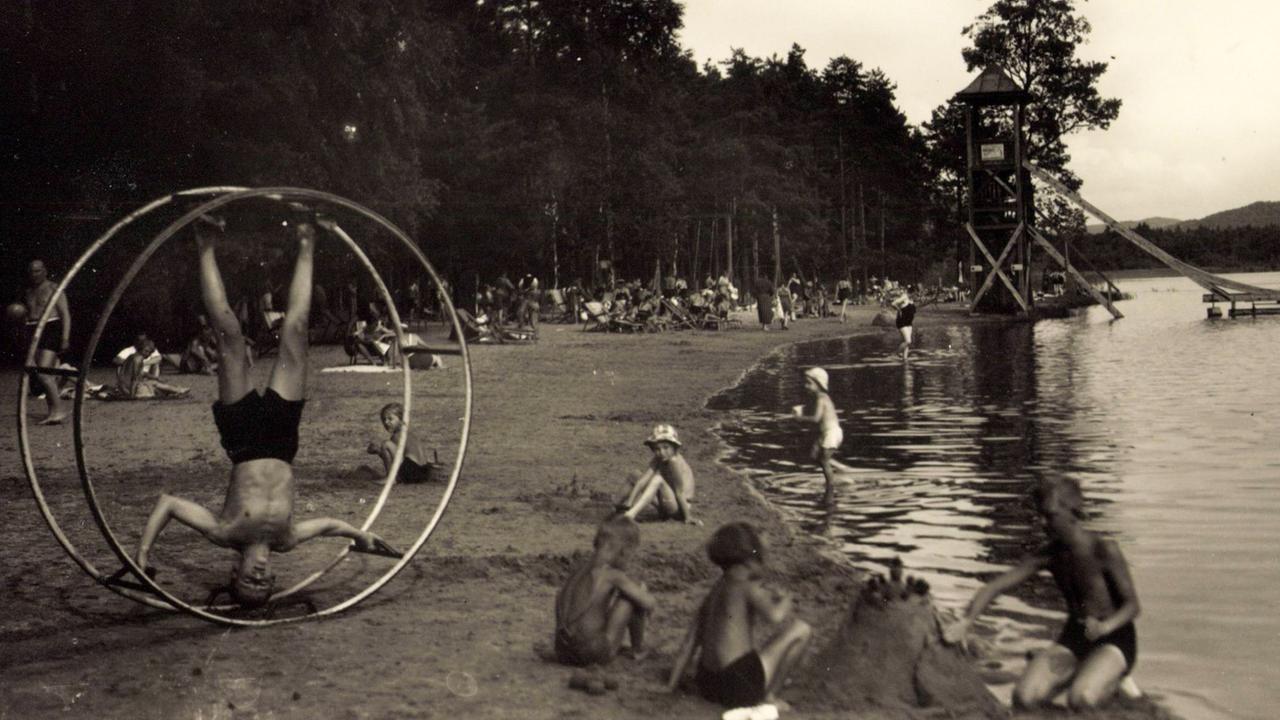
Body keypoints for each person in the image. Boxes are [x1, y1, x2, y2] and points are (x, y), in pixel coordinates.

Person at [135, 212, 395, 608]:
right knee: (296, 331)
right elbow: (330, 526)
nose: (259, 577)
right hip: (281, 440)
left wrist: (143, 553)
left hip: (243, 440)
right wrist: (360, 535)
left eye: (249, 582)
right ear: (274, 577)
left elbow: (168, 503)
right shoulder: (286, 540)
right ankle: (306, 239)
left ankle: (205, 244)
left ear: (234, 573)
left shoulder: (225, 532)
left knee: (229, 336)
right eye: (265, 584)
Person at [944, 478, 1141, 710]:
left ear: (1072, 511)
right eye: (1039, 515)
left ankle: (1114, 682)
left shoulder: (1103, 549)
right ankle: (1082, 671)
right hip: (1075, 637)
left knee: (1081, 699)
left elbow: (1133, 606)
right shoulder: (1048, 555)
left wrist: (1104, 627)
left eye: (1049, 515)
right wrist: (967, 621)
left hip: (1115, 638)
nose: (1042, 522)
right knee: (1024, 698)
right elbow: (995, 587)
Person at [667, 522, 812, 710]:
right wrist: (785, 600)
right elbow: (776, 616)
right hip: (738, 686)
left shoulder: (714, 592)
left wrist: (670, 686)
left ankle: (761, 690)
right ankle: (769, 697)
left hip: (708, 683)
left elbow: (689, 644)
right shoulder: (746, 585)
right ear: (749, 561)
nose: (765, 565)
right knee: (801, 629)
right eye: (761, 558)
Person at [554, 516, 655, 671]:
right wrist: (644, 594)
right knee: (635, 592)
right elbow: (648, 603)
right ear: (624, 551)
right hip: (591, 653)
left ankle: (592, 641)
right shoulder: (612, 575)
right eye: (631, 556)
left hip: (562, 652)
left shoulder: (577, 572)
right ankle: (638, 649)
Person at [616, 424, 700, 525]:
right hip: (667, 501)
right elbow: (642, 481)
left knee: (658, 479)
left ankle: (630, 515)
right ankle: (616, 507)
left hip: (680, 508)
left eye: (666, 448)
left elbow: (680, 492)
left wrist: (688, 517)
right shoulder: (658, 459)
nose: (662, 452)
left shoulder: (674, 461)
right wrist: (629, 502)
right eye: (657, 449)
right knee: (635, 475)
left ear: (674, 447)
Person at [22, 259, 71, 424]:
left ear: (45, 271)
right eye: (31, 271)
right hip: (32, 329)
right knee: (40, 373)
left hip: (50, 328)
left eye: (38, 271)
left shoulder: (54, 288)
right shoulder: (28, 291)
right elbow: (28, 314)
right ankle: (52, 412)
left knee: (44, 373)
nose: (34, 274)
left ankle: (59, 410)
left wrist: (65, 337)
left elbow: (65, 314)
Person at [793, 367, 841, 506]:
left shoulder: (821, 398)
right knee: (814, 455)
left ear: (819, 384)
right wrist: (802, 409)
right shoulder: (819, 398)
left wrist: (799, 418)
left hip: (832, 432)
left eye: (809, 383)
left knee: (824, 460)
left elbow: (816, 418)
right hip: (826, 432)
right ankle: (838, 468)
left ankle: (830, 487)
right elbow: (816, 411)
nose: (806, 386)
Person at [366, 402, 434, 483]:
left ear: (401, 419)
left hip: (412, 471)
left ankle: (390, 478)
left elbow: (393, 458)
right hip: (425, 472)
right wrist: (379, 451)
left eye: (390, 419)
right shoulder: (410, 434)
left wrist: (378, 450)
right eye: (384, 419)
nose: (386, 422)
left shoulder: (397, 436)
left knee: (386, 444)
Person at [114, 334, 189, 398]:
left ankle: (176, 390)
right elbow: (135, 379)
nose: (147, 354)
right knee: (154, 384)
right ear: (140, 348)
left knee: (154, 383)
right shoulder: (138, 359)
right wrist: (132, 396)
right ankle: (177, 390)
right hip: (128, 388)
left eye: (149, 353)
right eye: (146, 351)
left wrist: (156, 378)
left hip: (124, 387)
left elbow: (141, 373)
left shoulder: (132, 356)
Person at [892, 290, 916, 361]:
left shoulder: (911, 300)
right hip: (902, 322)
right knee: (908, 341)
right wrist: (899, 310)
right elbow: (893, 303)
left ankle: (905, 360)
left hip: (909, 323)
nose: (916, 295)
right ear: (911, 292)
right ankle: (897, 352)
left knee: (907, 343)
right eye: (915, 293)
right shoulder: (904, 297)